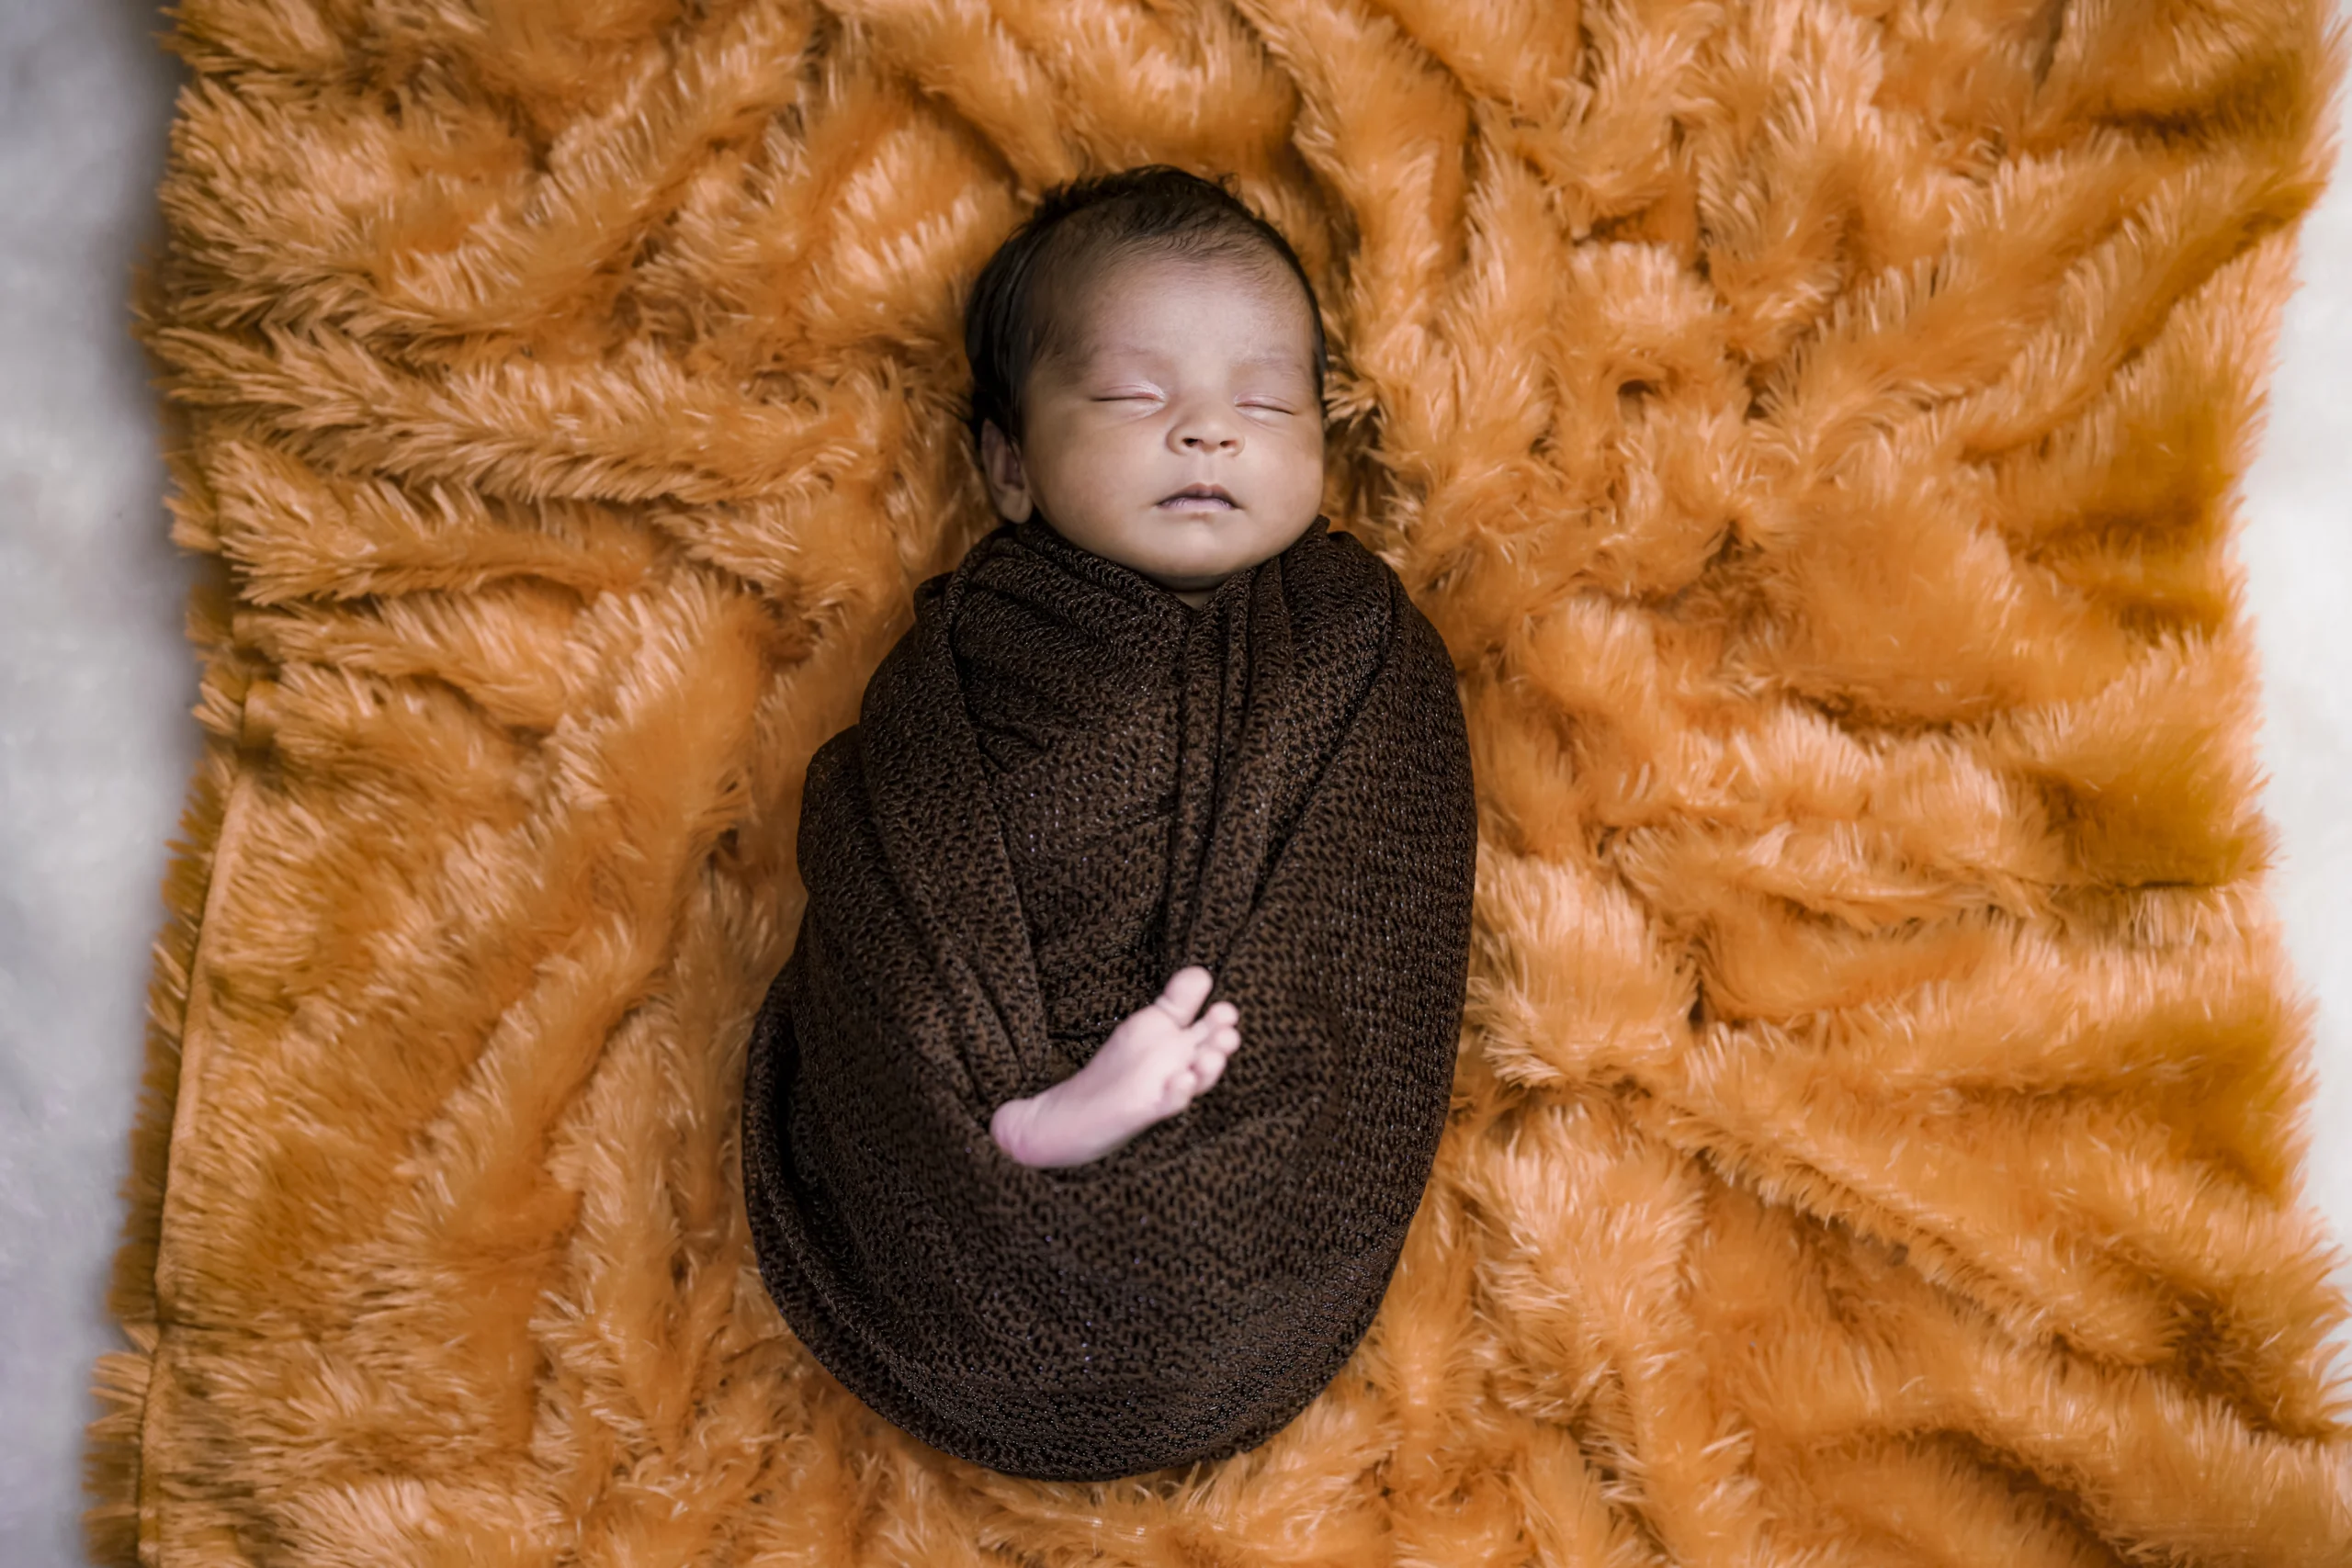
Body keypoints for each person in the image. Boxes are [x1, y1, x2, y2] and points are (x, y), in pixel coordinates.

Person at [954, 164, 1332, 1168]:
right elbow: (914, 847)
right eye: (1132, 395)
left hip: (1261, 1093)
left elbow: (1368, 910)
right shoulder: (980, 646)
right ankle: (1038, 1115)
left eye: (1266, 403)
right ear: (1010, 466)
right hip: (1018, 1023)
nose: (1207, 431)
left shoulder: (1357, 644)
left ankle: (1100, 1121)